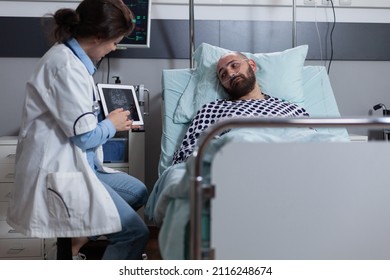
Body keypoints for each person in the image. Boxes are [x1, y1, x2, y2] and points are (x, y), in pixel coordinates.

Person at [6, 0, 149, 260]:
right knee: (134, 233)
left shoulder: (73, 60)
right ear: (97, 38)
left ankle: (75, 240)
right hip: (63, 171)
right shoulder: (66, 67)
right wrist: (112, 124)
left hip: (85, 167)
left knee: (138, 191)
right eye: (115, 41)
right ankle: (72, 243)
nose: (114, 48)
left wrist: (102, 120)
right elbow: (85, 137)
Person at [172, 51, 310, 165]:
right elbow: (187, 154)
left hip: (292, 160)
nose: (231, 73)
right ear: (223, 85)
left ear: (252, 65)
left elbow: (313, 142)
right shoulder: (212, 110)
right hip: (241, 162)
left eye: (234, 65)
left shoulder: (292, 109)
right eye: (223, 74)